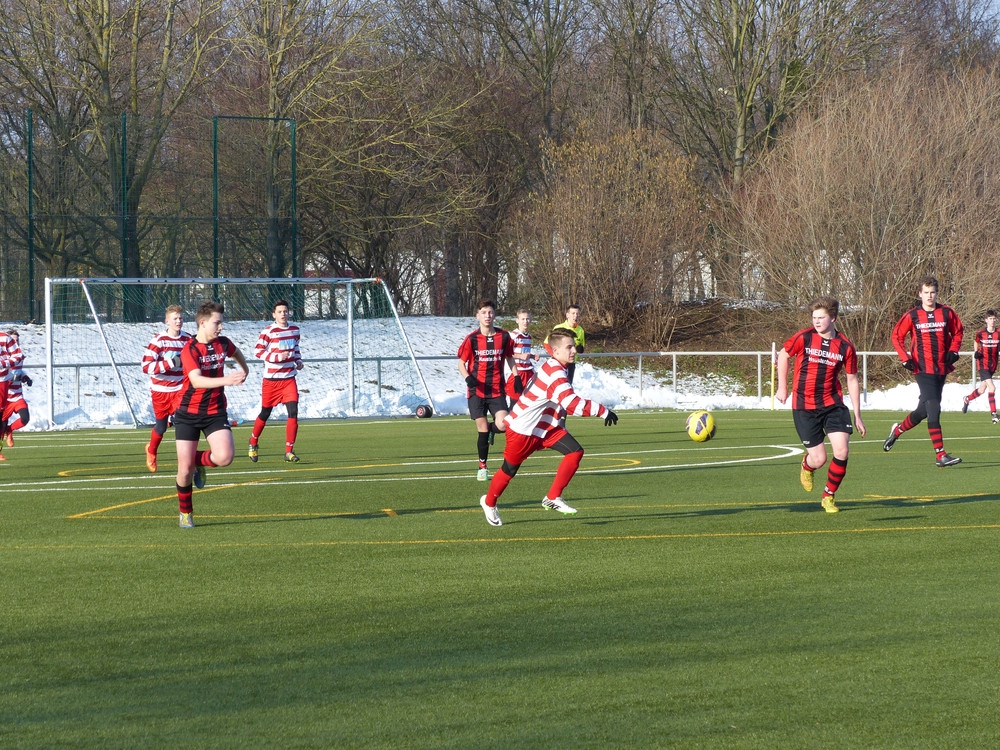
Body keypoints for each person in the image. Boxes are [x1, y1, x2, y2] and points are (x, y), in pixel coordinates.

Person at [479, 327, 619, 526]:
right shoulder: (556, 373)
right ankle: (489, 502)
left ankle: (552, 497)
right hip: (522, 430)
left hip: (544, 427)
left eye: (574, 346)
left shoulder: (556, 364)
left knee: (575, 452)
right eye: (569, 347)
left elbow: (549, 345)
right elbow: (571, 404)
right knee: (509, 470)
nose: (573, 351)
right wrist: (603, 411)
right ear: (556, 351)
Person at [775, 298, 867, 513]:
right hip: (804, 406)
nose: (816, 321)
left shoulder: (845, 346)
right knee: (819, 459)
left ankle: (828, 496)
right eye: (814, 317)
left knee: (842, 451)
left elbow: (852, 379)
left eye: (821, 317)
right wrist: (782, 387)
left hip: (832, 404)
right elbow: (783, 355)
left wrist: (858, 415)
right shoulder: (804, 337)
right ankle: (807, 466)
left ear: (833, 318)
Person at [173, 300, 249, 528]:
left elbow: (237, 353)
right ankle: (185, 513)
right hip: (188, 413)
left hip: (215, 411)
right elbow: (196, 380)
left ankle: (197, 461)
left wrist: (245, 369)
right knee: (183, 471)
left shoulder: (223, 344)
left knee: (225, 457)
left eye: (222, 323)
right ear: (203, 323)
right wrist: (227, 379)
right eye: (217, 323)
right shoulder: (189, 349)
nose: (221, 327)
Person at [883, 275, 964, 466]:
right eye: (926, 292)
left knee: (923, 411)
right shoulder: (912, 315)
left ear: (937, 293)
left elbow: (958, 332)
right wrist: (905, 358)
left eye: (933, 292)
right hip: (922, 368)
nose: (930, 296)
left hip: (941, 368)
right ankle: (940, 455)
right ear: (920, 294)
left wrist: (953, 350)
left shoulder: (946, 313)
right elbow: (896, 337)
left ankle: (897, 431)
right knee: (934, 407)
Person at [457, 299, 515, 481]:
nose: (487, 316)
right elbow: (461, 363)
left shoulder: (504, 336)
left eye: (490, 312)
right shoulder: (472, 339)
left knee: (504, 424)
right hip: (477, 391)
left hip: (497, 390)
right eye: (483, 312)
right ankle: (483, 466)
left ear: (494, 315)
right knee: (481, 429)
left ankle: (492, 429)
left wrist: (517, 376)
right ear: (478, 316)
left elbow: (510, 357)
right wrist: (468, 378)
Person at [248, 299, 304, 463]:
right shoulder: (268, 331)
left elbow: (295, 349)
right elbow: (257, 351)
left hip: (288, 379)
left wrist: (298, 361)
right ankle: (253, 442)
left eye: (285, 311)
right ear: (274, 314)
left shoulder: (294, 330)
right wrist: (277, 357)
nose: (283, 314)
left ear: (288, 313)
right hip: (271, 381)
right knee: (265, 413)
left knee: (293, 412)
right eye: (279, 312)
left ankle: (289, 451)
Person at [140, 305, 192, 472]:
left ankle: (187, 459)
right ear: (167, 321)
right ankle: (152, 450)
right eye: (175, 318)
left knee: (184, 422)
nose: (178, 321)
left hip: (180, 388)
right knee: (161, 427)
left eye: (181, 318)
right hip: (160, 391)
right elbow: (146, 366)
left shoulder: (188, 339)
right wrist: (172, 363)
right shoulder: (159, 340)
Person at [962, 309, 999, 423]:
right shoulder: (981, 333)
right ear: (986, 320)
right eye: (990, 319)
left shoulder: (998, 333)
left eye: (994, 319)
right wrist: (976, 351)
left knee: (982, 390)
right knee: (992, 388)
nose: (992, 321)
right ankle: (993, 414)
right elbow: (976, 341)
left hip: (993, 364)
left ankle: (967, 399)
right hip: (983, 364)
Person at [0, 330, 31, 457]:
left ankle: (10, 430)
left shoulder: (18, 357)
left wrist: (25, 378)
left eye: (17, 340)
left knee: (25, 417)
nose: (15, 342)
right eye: (14, 340)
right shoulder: (5, 357)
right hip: (6, 396)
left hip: (16, 395)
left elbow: (19, 371)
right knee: (1, 425)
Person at [506, 308, 540, 399]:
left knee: (529, 399)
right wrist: (520, 356)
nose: (526, 321)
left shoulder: (528, 336)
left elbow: (524, 353)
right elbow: (507, 353)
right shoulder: (513, 335)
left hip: (528, 371)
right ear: (517, 321)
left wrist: (532, 356)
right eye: (523, 319)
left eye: (527, 319)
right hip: (518, 371)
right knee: (515, 400)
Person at [547, 304, 585, 383]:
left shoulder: (580, 330)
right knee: (556, 385)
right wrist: (555, 356)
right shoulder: (559, 327)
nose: (576, 316)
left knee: (567, 385)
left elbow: (581, 346)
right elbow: (546, 344)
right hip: (559, 362)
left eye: (577, 314)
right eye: (573, 313)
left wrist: (580, 348)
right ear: (567, 315)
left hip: (571, 364)